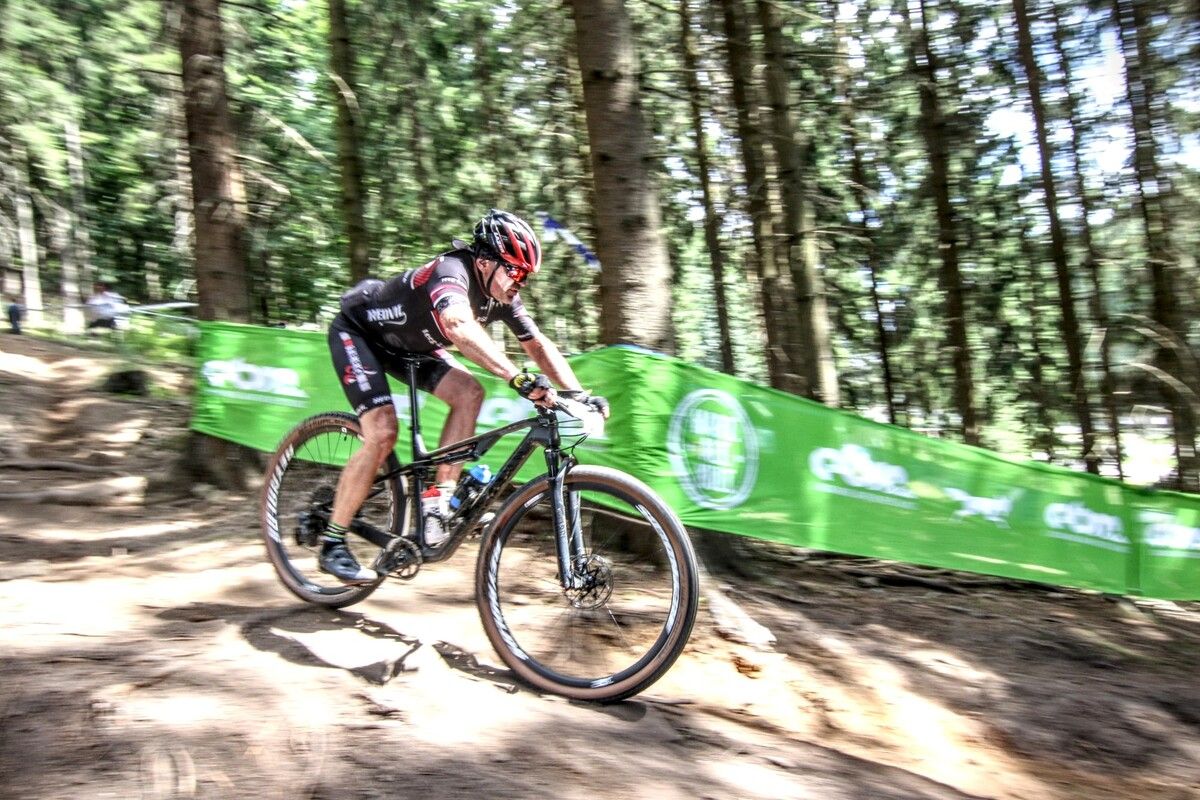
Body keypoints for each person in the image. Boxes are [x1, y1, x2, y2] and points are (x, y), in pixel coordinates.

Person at [322, 209, 609, 583]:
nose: (520, 283)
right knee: (382, 431)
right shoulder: (451, 271)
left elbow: (537, 345)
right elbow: (457, 324)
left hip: (410, 347)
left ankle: (437, 503)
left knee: (470, 392)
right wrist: (516, 377)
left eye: (526, 276)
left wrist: (579, 394)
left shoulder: (502, 296)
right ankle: (333, 541)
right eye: (515, 272)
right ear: (486, 261)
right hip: (360, 332)